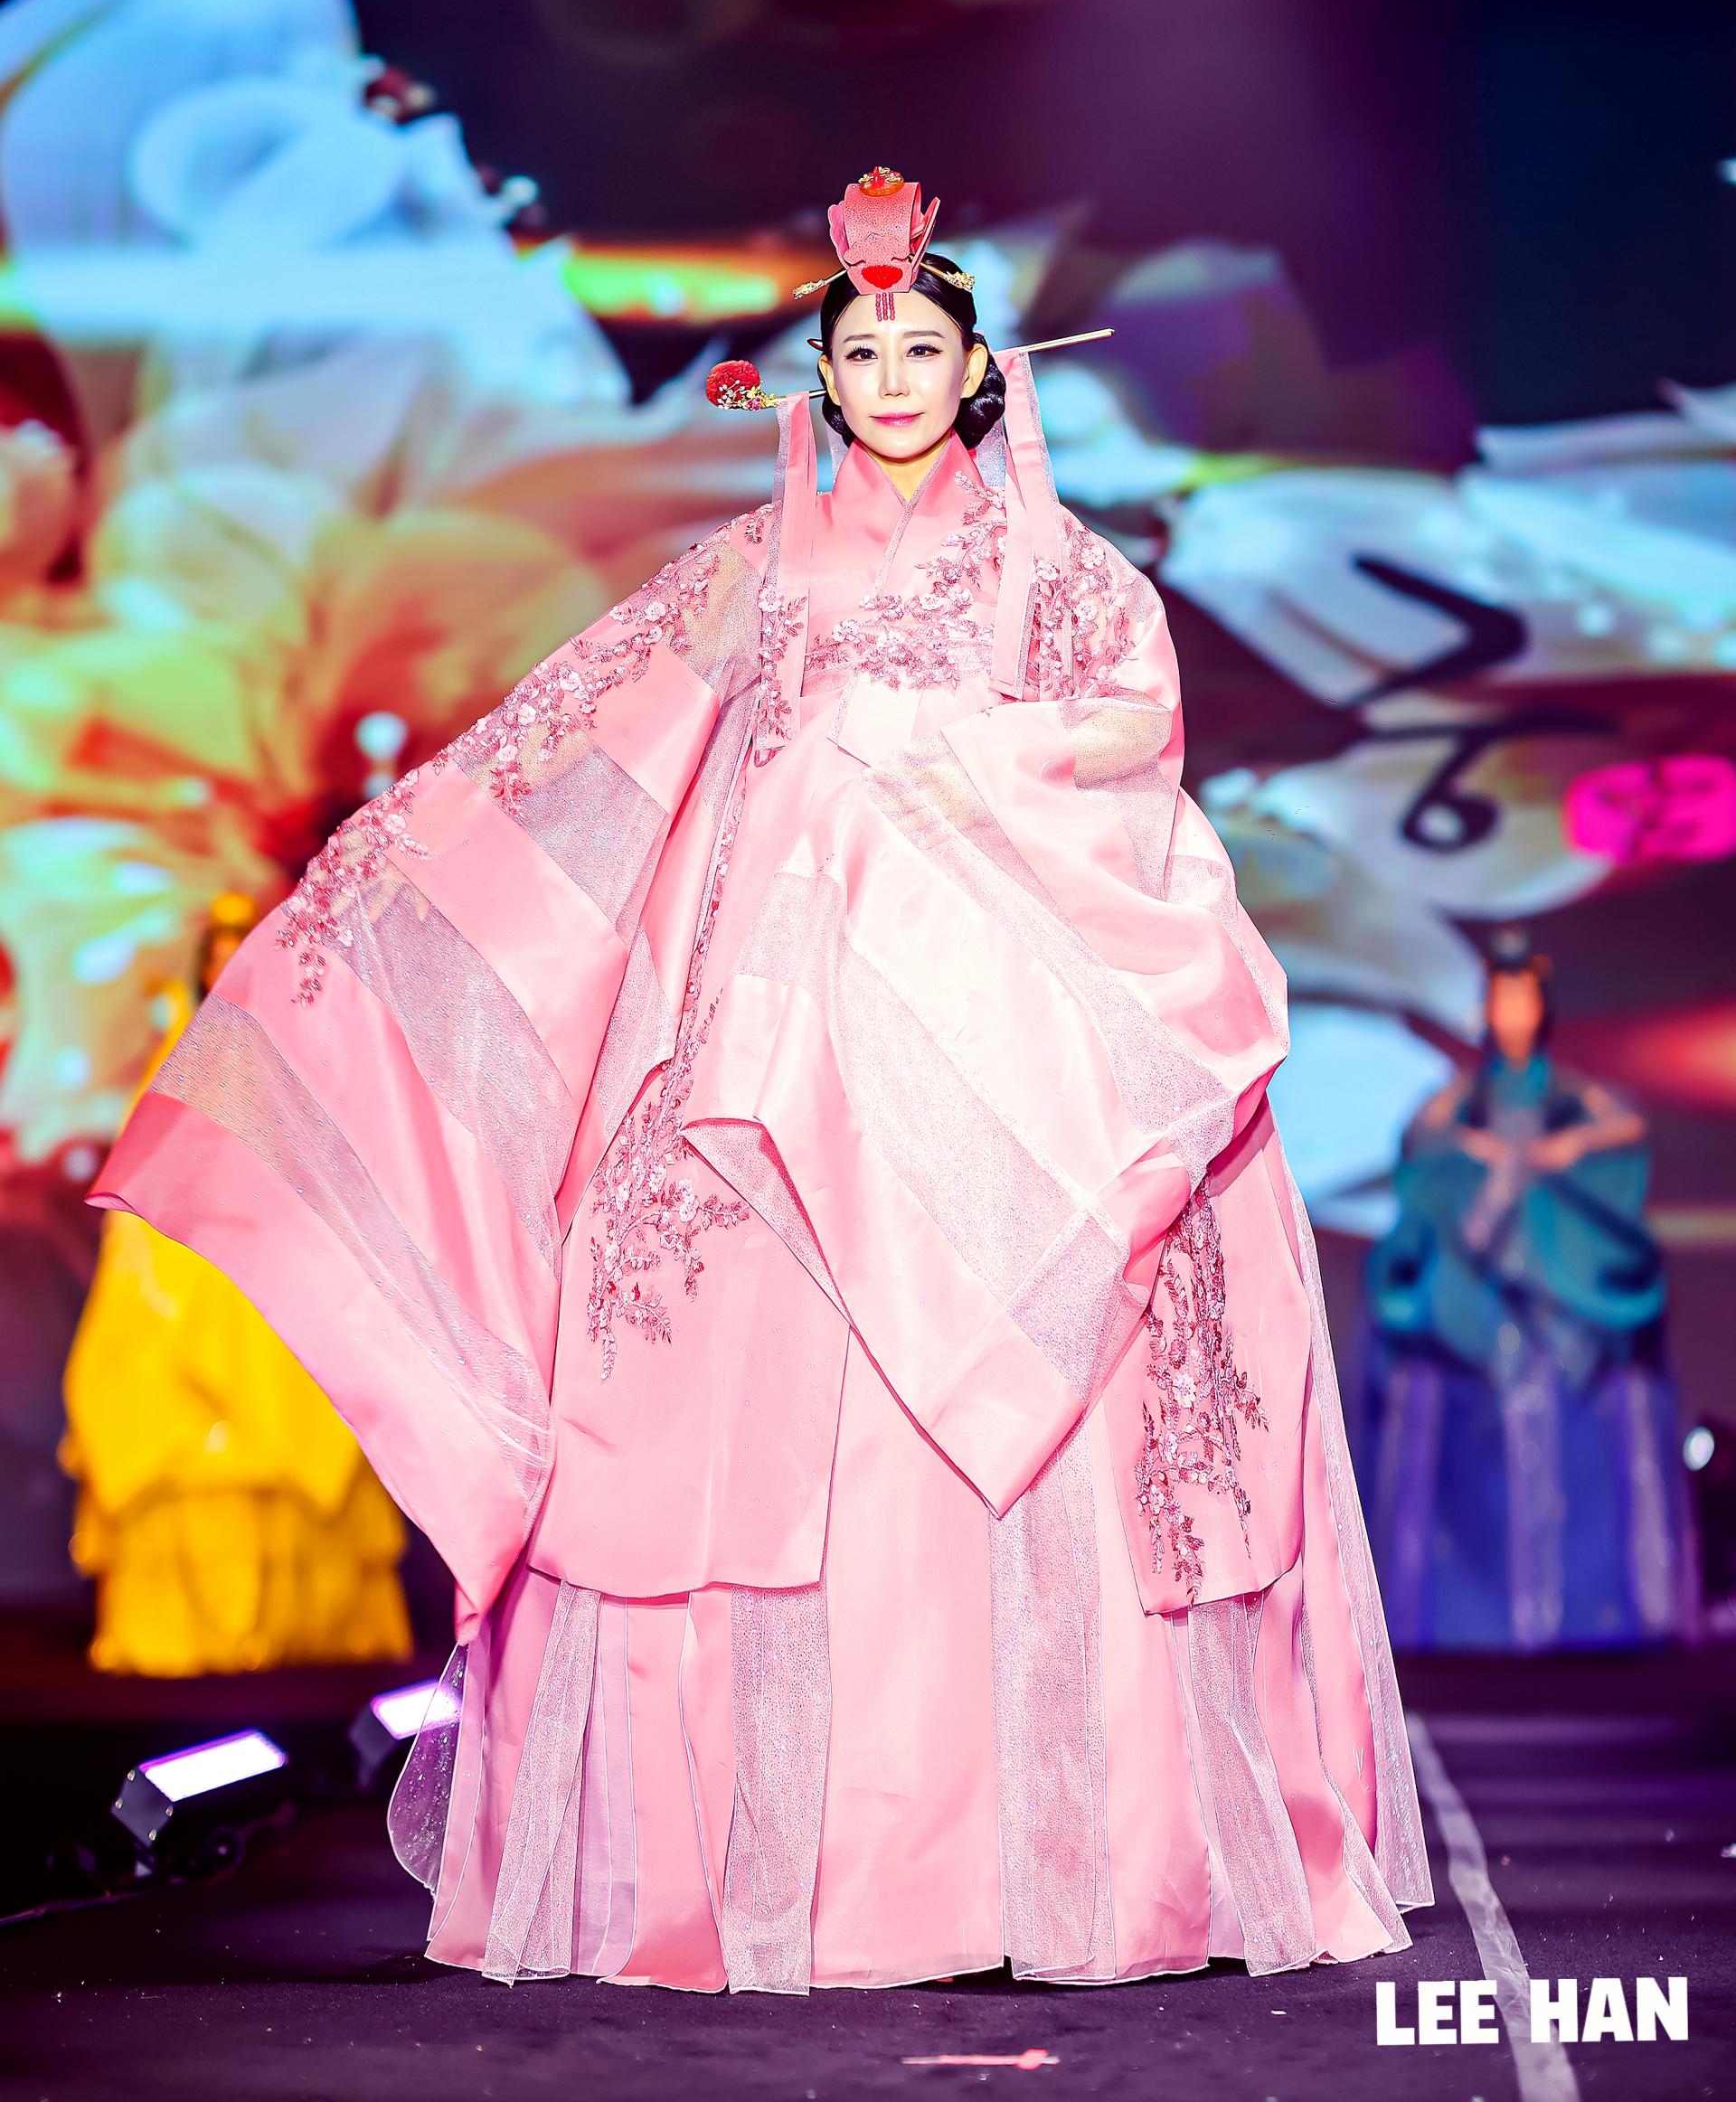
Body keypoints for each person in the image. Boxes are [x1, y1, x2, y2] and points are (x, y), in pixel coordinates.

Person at [95, 168, 1428, 1989]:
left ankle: (1062, 1868)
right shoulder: (752, 569)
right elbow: (583, 742)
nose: (890, 376)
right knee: (737, 1433)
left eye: (920, 348)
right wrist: (394, 878)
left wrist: (934, 773)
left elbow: (1133, 753)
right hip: (771, 1070)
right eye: (859, 350)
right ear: (823, 373)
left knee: (1065, 1411)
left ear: (979, 370)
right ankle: (795, 1877)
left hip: (1016, 1059)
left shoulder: (1069, 578)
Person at [62, 891, 412, 1676]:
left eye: (238, 950)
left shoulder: (303, 1064)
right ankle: (192, 1626)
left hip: (275, 1263)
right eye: (216, 953)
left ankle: (301, 1622)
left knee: (292, 1410)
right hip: (181, 1268)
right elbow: (143, 1178)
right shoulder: (175, 1063)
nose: (226, 966)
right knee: (165, 1405)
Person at [1364, 928, 1697, 1651]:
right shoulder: (1462, 1098)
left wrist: (1561, 1150)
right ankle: (1471, 1620)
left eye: (1523, 997)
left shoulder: (1571, 1094)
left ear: (1540, 1005)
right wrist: (1482, 1154)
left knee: (1576, 1452)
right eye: (1501, 998)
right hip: (1481, 1300)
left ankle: (1585, 1616)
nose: (1512, 1011)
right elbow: (1425, 1142)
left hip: (1557, 1297)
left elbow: (1623, 1128)